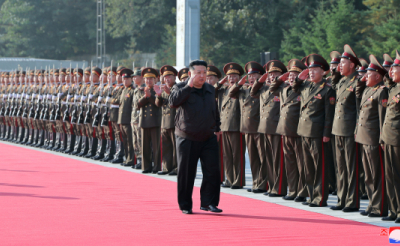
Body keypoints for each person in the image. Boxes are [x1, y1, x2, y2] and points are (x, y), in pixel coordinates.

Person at [169, 59, 222, 214]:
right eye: (198, 72)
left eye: (204, 72)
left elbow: (214, 110)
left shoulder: (210, 89)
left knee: (213, 172)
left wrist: (217, 127)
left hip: (208, 136)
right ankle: (185, 205)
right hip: (187, 137)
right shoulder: (180, 87)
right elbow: (173, 102)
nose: (202, 75)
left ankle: (209, 202)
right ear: (190, 73)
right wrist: (188, 86)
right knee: (186, 173)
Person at [294, 54, 336, 207]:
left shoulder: (327, 89)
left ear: (323, 72)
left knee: (320, 167)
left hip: (317, 133)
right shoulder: (306, 85)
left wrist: (326, 133)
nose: (311, 73)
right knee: (308, 167)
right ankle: (311, 195)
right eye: (310, 70)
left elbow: (328, 114)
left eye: (315, 70)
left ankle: (320, 198)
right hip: (304, 131)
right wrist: (299, 77)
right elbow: (294, 87)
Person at [355, 54, 388, 217]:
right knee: (368, 174)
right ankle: (371, 203)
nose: (365, 76)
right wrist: (363, 81)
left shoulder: (381, 92)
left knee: (376, 174)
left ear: (377, 76)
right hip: (364, 137)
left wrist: (381, 138)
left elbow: (382, 119)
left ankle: (379, 206)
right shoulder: (368, 89)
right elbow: (357, 93)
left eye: (369, 74)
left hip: (374, 138)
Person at [330, 44, 361, 213]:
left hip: (349, 130)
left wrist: (357, 129)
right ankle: (342, 198)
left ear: (352, 65)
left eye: (342, 63)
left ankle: (352, 201)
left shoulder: (357, 82)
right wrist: (335, 72)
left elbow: (358, 109)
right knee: (340, 167)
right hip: (337, 129)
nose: (339, 66)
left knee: (351, 167)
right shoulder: (341, 81)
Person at [228, 61, 267, 193]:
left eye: (254, 75)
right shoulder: (243, 90)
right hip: (247, 129)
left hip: (259, 128)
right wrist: (239, 83)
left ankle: (263, 184)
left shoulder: (263, 90)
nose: (251, 78)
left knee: (263, 158)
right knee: (253, 159)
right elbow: (230, 94)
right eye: (249, 76)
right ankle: (256, 182)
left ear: (260, 77)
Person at [251, 60, 288, 197]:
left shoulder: (282, 88)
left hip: (276, 129)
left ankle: (279, 189)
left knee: (278, 161)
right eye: (270, 74)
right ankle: (272, 187)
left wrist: (279, 81)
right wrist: (261, 80)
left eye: (275, 74)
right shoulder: (264, 88)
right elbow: (253, 92)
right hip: (264, 128)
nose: (272, 77)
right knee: (269, 160)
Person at [275, 59, 308, 201]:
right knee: (290, 163)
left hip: (297, 131)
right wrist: (280, 78)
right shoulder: (283, 88)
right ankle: (293, 190)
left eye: (295, 74)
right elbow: (271, 88)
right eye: (290, 74)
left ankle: (302, 192)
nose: (291, 77)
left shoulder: (303, 88)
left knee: (301, 163)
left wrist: (299, 80)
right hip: (285, 130)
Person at [216, 62, 246, 189]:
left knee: (237, 155)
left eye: (234, 76)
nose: (231, 79)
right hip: (224, 127)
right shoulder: (223, 91)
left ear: (239, 78)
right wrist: (221, 82)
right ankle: (229, 179)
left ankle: (238, 181)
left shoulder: (242, 90)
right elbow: (212, 90)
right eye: (229, 76)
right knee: (227, 155)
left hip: (236, 127)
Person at [382, 50, 400, 223]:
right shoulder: (393, 88)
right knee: (390, 176)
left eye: (395, 69)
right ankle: (394, 209)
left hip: (397, 139)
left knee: (398, 175)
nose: (391, 72)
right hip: (388, 138)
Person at [137, 68, 162, 173]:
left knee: (156, 147)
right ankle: (146, 167)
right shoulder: (140, 90)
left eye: (151, 79)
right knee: (145, 147)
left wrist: (150, 96)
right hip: (144, 121)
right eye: (147, 79)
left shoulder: (158, 89)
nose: (149, 81)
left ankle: (156, 167)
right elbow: (137, 104)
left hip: (155, 121)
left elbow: (158, 104)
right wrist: (145, 97)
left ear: (155, 79)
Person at [154, 65, 178, 175]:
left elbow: (177, 102)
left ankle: (176, 167)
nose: (166, 79)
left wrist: (169, 93)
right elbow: (158, 104)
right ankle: (166, 167)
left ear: (174, 77)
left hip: (174, 122)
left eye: (169, 77)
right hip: (164, 122)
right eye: (165, 77)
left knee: (175, 147)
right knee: (166, 146)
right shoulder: (163, 89)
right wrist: (159, 95)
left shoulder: (178, 88)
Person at [112, 68, 136, 166]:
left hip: (128, 119)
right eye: (123, 79)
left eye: (127, 79)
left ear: (131, 79)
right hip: (121, 119)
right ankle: (127, 158)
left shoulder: (132, 91)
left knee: (130, 141)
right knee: (125, 141)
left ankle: (131, 159)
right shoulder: (123, 90)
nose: (125, 81)